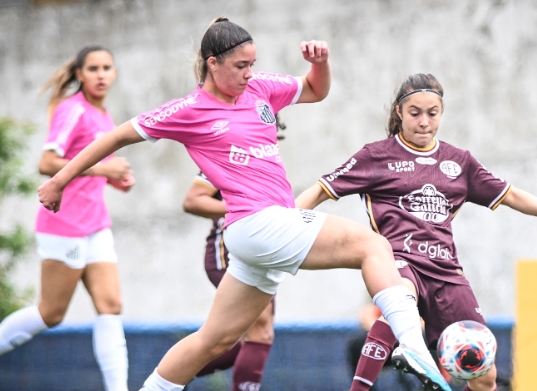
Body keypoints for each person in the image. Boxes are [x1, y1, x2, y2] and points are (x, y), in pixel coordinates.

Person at [37, 18, 452, 391]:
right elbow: (115, 138)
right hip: (257, 224)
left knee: (213, 340)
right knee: (373, 246)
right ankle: (413, 345)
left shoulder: (260, 89)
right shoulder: (189, 109)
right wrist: (59, 179)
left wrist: (319, 63)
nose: (249, 73)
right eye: (240, 66)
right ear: (212, 63)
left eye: (252, 64)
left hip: (257, 237)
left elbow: (314, 90)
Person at [294, 73, 537, 391]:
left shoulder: (458, 162)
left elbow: (510, 194)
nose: (424, 122)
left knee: (485, 376)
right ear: (399, 113)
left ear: (441, 113)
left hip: (446, 274)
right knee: (398, 301)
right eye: (415, 113)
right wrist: (287, 220)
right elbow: (321, 188)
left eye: (432, 113)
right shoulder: (376, 156)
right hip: (398, 260)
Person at [0, 45, 134, 391]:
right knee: (52, 313)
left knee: (111, 305)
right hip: (65, 224)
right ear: (79, 74)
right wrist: (104, 168)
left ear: (115, 72)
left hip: (96, 224)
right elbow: (47, 163)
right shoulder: (72, 110)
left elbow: (91, 173)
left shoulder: (104, 116)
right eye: (93, 68)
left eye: (107, 67)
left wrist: (115, 179)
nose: (101, 74)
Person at [182, 112, 285, 391]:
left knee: (234, 341)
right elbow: (193, 201)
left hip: (262, 255)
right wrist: (246, 208)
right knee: (260, 330)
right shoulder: (226, 153)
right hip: (228, 254)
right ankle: (168, 377)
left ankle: (171, 375)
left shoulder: (269, 160)